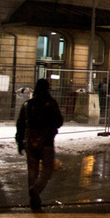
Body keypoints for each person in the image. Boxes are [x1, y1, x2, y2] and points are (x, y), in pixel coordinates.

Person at [16, 78, 64, 209]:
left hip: (31, 141)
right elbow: (59, 121)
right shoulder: (51, 103)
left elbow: (20, 124)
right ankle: (36, 190)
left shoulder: (28, 104)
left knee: (32, 170)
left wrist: (19, 141)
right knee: (47, 170)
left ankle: (34, 196)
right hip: (47, 141)